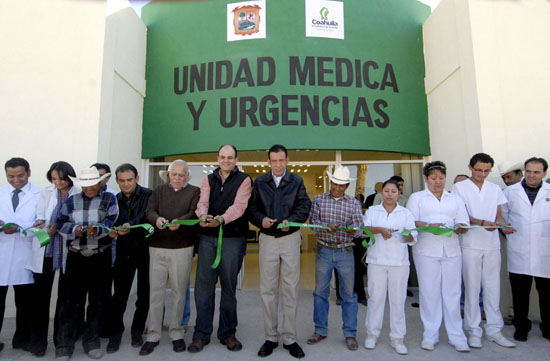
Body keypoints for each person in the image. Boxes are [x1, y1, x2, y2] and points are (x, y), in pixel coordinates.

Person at [248, 144, 311, 358]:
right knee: (268, 290)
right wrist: (260, 220)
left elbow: (304, 206)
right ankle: (271, 337)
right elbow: (252, 208)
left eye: (281, 160)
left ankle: (290, 338)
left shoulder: (297, 181)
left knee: (290, 289)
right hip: (268, 239)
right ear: (268, 162)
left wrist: (291, 221)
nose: (277, 164)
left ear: (287, 160)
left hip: (290, 239)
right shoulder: (261, 182)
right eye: (273, 161)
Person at [189, 145, 252, 353]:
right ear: (218, 158)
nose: (226, 161)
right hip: (207, 239)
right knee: (203, 288)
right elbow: (202, 202)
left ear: (236, 159)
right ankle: (201, 333)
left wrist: (221, 219)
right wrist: (203, 216)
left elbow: (239, 207)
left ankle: (228, 333)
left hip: (233, 239)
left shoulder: (244, 179)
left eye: (230, 157)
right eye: (223, 157)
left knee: (228, 288)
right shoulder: (208, 179)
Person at [452, 153, 516, 348]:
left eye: (486, 171)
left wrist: (502, 226)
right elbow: (460, 215)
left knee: (492, 287)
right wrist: (481, 223)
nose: (482, 174)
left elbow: (498, 217)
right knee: (472, 288)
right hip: (470, 244)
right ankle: (473, 330)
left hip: (492, 244)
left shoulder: (495, 189)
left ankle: (494, 330)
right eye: (479, 170)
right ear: (470, 168)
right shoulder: (459, 188)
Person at [55, 167, 118, 360]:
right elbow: (60, 223)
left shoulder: (109, 198)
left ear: (100, 183)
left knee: (97, 302)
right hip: (76, 256)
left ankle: (92, 342)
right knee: (70, 302)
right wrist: (75, 230)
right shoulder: (71, 200)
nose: (89, 188)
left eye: (93, 184)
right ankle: (65, 346)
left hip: (100, 256)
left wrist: (96, 230)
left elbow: (112, 220)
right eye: (85, 185)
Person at [407, 161, 470, 352]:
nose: (438, 182)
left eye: (441, 178)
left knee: (452, 293)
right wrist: (430, 225)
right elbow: (410, 221)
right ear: (426, 179)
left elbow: (463, 221)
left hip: (451, 250)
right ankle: (430, 334)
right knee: (429, 292)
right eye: (433, 178)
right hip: (427, 251)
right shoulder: (417, 198)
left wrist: (460, 227)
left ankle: (456, 336)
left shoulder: (455, 199)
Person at [139, 160, 199, 355]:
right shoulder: (157, 191)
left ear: (187, 176)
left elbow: (193, 212)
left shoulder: (194, 192)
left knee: (179, 291)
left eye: (182, 175)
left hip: (182, 248)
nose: (178, 178)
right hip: (157, 247)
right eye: (175, 174)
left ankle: (176, 333)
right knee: (155, 292)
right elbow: (149, 211)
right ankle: (153, 335)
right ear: (169, 174)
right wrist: (157, 219)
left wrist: (180, 222)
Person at [307, 166, 363, 351]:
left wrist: (354, 230)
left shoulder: (354, 203)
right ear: (330, 182)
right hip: (324, 249)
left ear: (347, 186)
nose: (337, 187)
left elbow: (360, 227)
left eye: (341, 185)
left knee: (348, 295)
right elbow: (313, 222)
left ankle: (350, 334)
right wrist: (325, 226)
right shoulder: (319, 200)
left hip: (345, 251)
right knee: (320, 293)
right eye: (334, 183)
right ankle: (320, 330)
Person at [27, 161, 79, 357]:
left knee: (66, 300)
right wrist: (40, 222)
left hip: (67, 250)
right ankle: (38, 342)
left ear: (69, 177)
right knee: (40, 299)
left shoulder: (78, 193)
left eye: (61, 179)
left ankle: (62, 342)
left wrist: (59, 226)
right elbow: (38, 216)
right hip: (46, 250)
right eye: (54, 179)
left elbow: (76, 220)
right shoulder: (45, 193)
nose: (57, 182)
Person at [362, 179, 417, 355]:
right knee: (375, 299)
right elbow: (365, 229)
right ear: (381, 193)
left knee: (398, 301)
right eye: (386, 191)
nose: (390, 194)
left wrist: (407, 235)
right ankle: (372, 334)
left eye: (394, 191)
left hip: (399, 263)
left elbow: (413, 237)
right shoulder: (372, 210)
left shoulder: (406, 213)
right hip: (376, 260)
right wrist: (381, 230)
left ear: (399, 193)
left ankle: (397, 337)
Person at [501, 157, 550, 342]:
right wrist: (509, 232)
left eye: (537, 172)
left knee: (546, 295)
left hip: (545, 251)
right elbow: (503, 217)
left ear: (544, 174)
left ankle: (547, 327)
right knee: (519, 294)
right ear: (524, 171)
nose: (532, 175)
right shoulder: (510, 192)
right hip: (519, 250)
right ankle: (521, 327)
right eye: (529, 171)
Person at [106, 164, 152, 353]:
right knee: (119, 296)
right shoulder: (114, 199)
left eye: (129, 180)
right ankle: (115, 336)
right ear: (117, 181)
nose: (126, 184)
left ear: (137, 178)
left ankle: (137, 332)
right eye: (122, 180)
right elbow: (110, 220)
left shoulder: (149, 194)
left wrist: (130, 224)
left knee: (144, 296)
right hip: (123, 252)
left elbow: (146, 215)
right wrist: (111, 230)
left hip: (145, 250)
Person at [0, 157, 41, 353]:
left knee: (24, 303)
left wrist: (20, 228)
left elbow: (43, 225)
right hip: (2, 253)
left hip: (25, 255)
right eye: (10, 176)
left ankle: (22, 339)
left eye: (20, 176)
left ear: (29, 172)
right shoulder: (0, 192)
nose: (15, 180)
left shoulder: (40, 195)